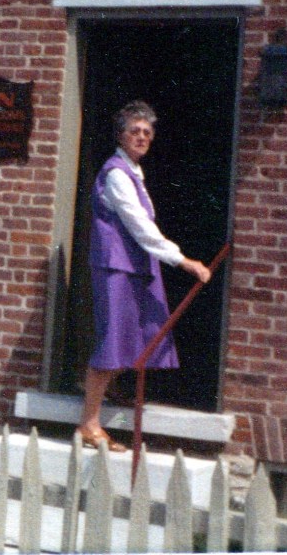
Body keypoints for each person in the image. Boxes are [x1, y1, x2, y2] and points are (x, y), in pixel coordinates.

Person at [77, 100, 211, 452]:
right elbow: (139, 226)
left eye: (147, 132)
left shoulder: (135, 173)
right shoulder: (117, 175)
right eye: (134, 131)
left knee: (139, 333)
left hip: (134, 267)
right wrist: (183, 261)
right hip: (116, 268)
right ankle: (88, 424)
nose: (141, 137)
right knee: (113, 339)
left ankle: (108, 392)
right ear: (120, 136)